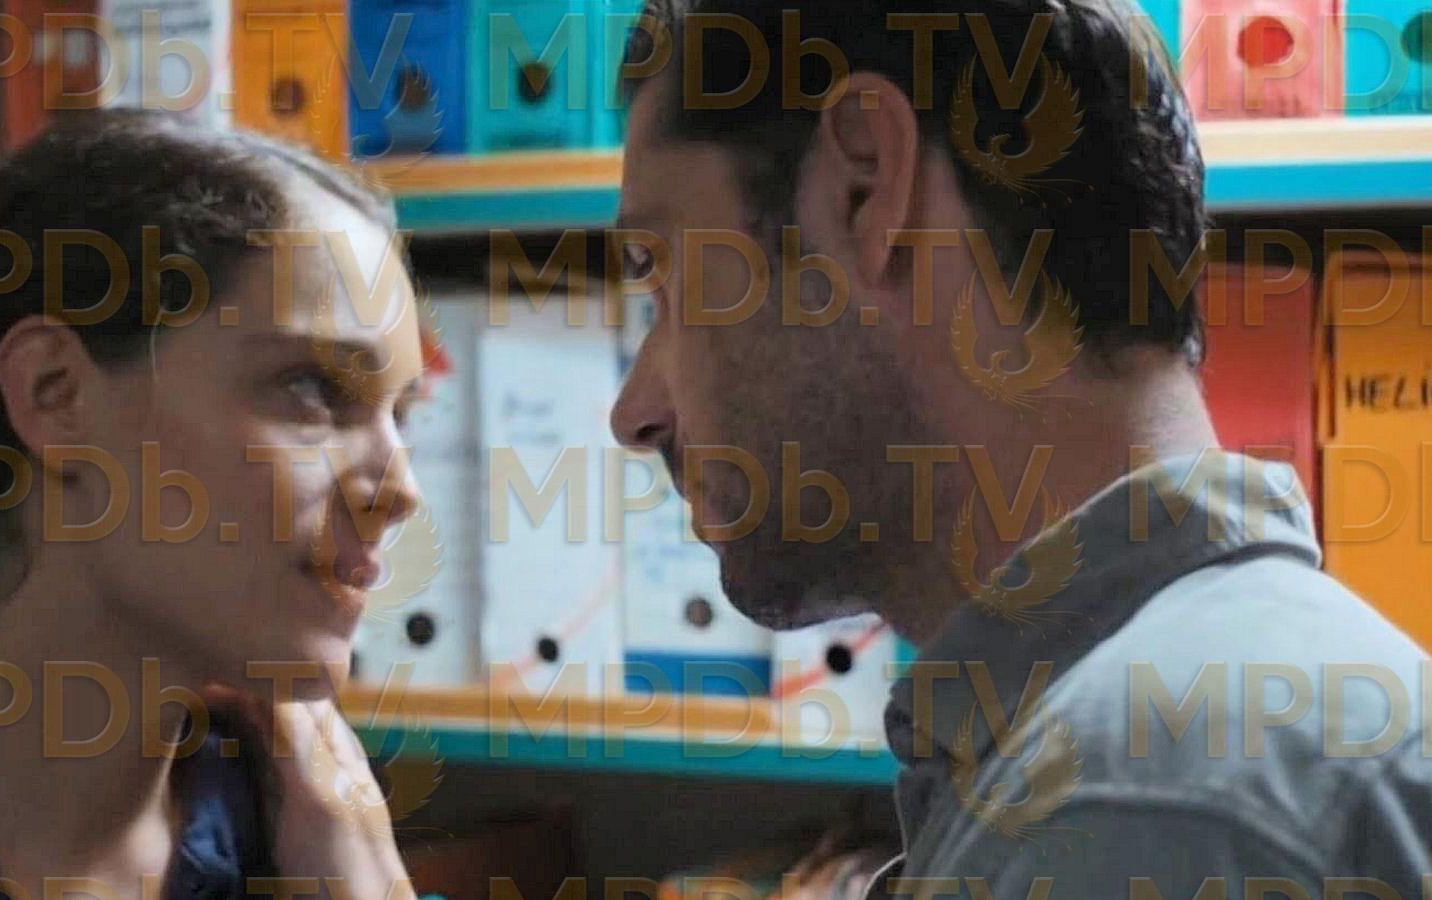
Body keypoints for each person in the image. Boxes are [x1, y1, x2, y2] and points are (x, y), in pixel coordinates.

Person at [609, 0, 1432, 895]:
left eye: (663, 273)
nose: (634, 414)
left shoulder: (1139, 813)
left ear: (864, 187)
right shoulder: (1194, 745)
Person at [0, 111, 423, 897]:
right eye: (313, 388)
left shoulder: (326, 855)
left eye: (403, 415)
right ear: (54, 392)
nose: (401, 491)